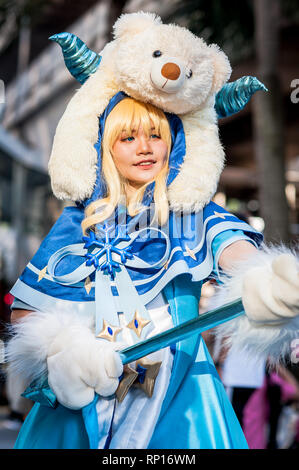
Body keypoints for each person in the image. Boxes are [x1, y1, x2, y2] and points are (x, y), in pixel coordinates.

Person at [5, 13, 299, 449]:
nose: (144, 148)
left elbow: (233, 250)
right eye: (127, 138)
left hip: (178, 401)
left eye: (155, 136)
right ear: (105, 145)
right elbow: (25, 312)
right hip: (85, 402)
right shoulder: (76, 223)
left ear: (173, 144)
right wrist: (67, 352)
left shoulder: (189, 213)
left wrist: (267, 281)